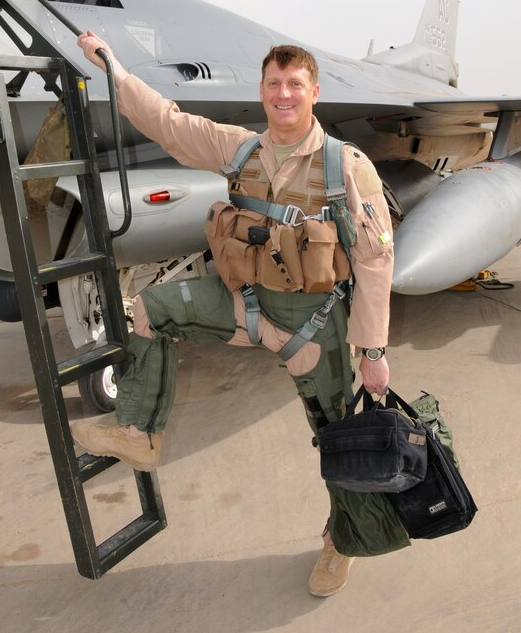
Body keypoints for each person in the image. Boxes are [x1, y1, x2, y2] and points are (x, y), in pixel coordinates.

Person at [71, 32, 410, 596]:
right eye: (274, 84)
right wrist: (114, 70)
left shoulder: (348, 166)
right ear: (261, 90)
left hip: (314, 324)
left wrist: (372, 351)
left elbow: (376, 260)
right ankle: (139, 432)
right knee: (152, 312)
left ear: (314, 93)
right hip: (245, 306)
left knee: (342, 443)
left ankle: (341, 543)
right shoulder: (240, 149)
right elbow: (169, 122)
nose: (283, 94)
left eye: (294, 85)